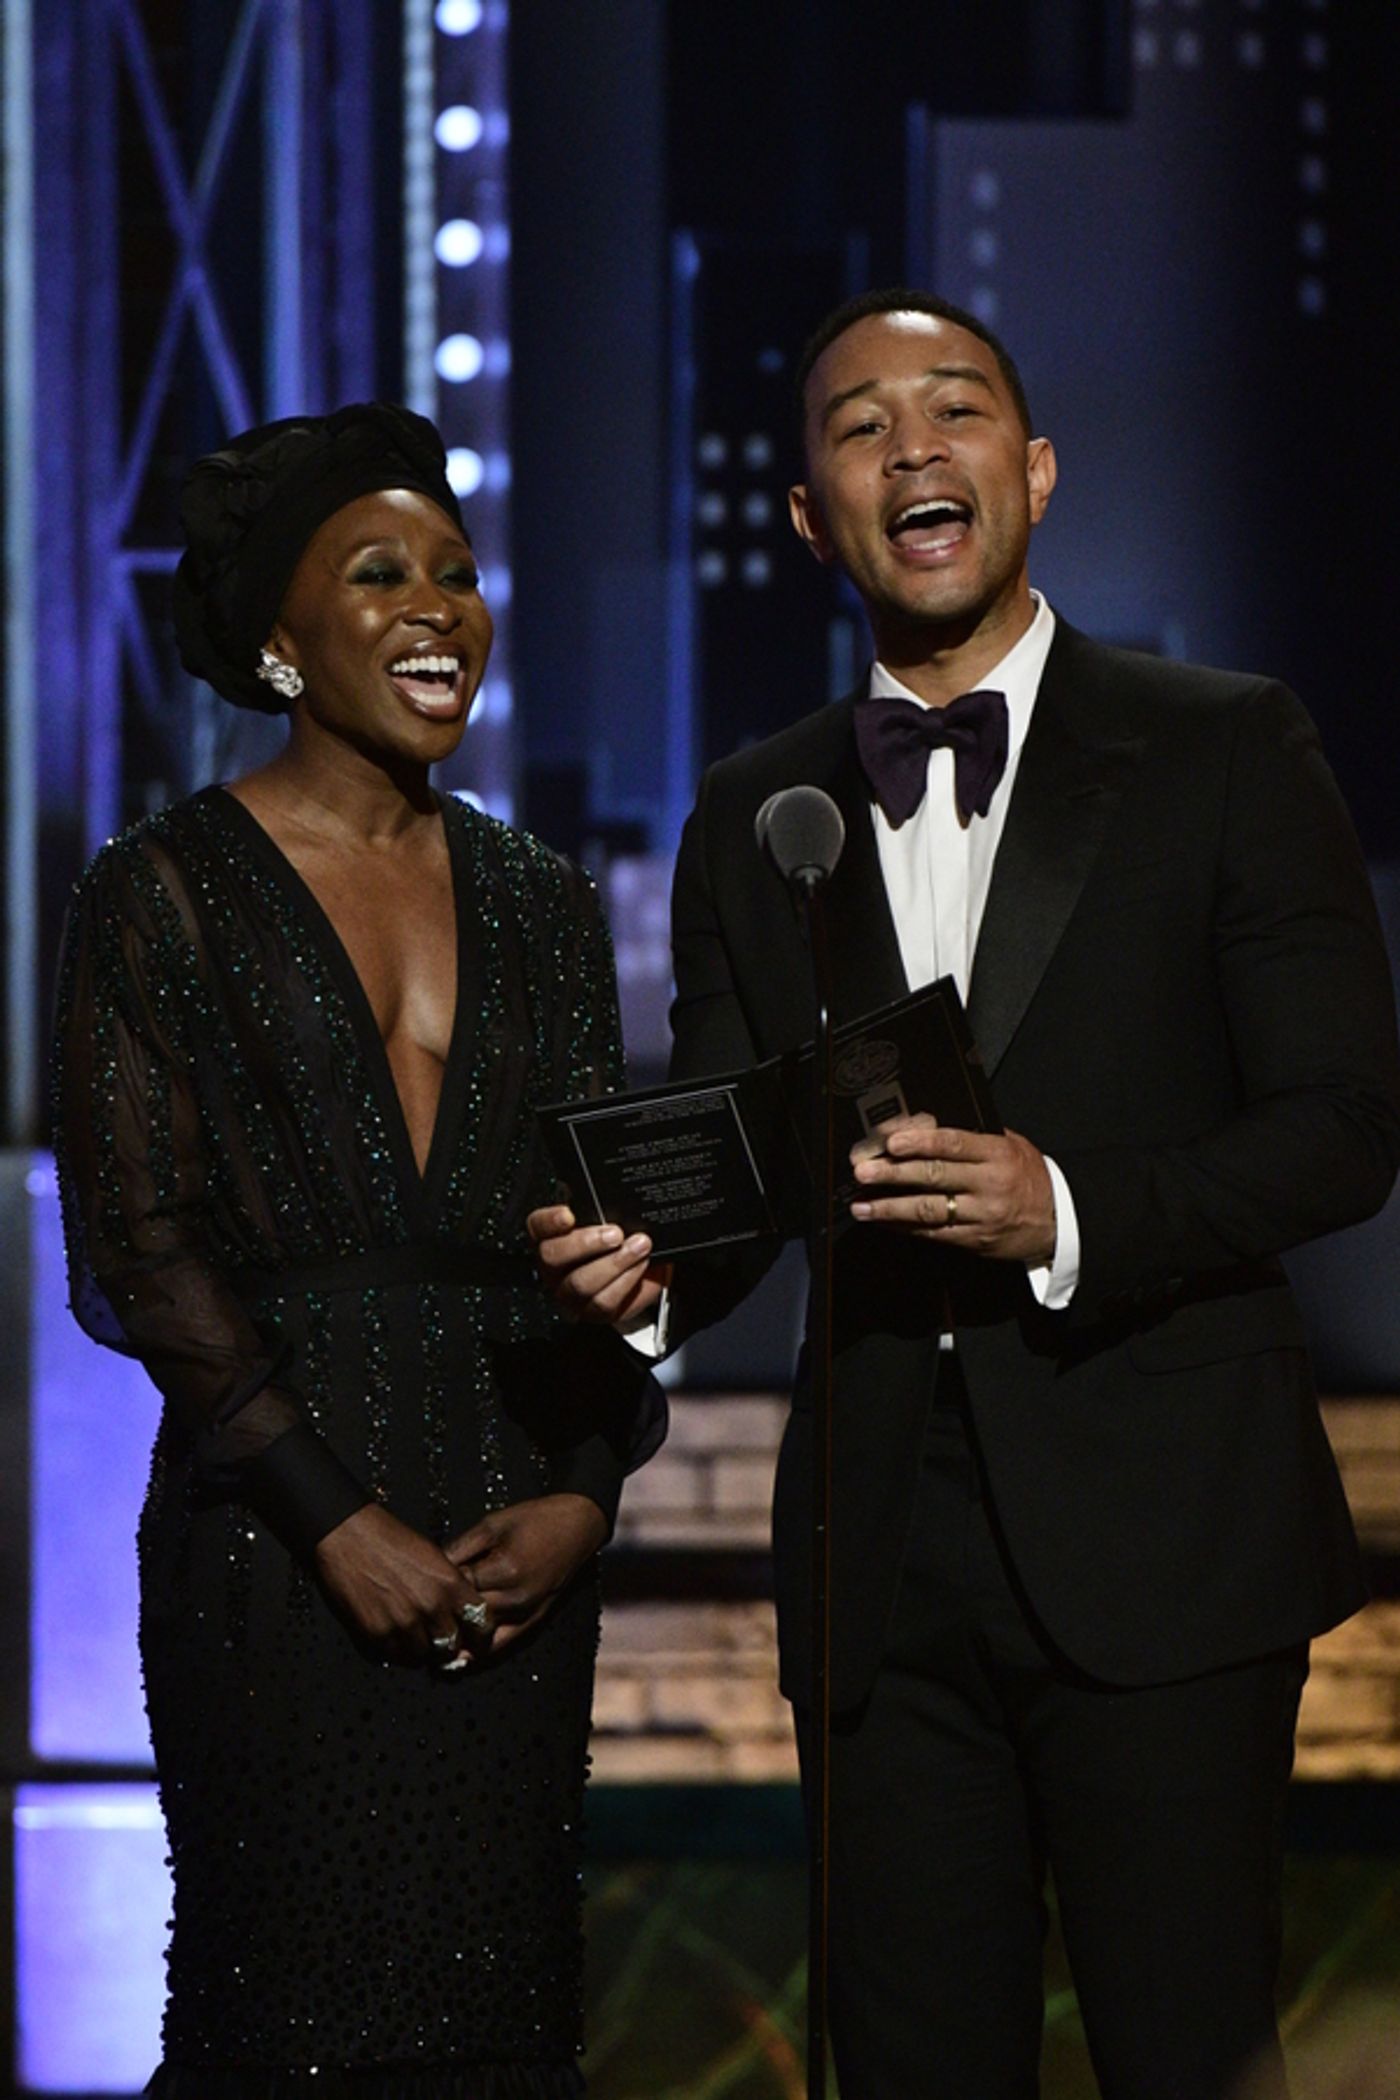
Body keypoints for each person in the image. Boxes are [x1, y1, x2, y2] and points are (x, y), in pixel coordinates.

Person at [528, 290, 1400, 2097]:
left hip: (1164, 1541)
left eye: (956, 410)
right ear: (805, 515)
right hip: (877, 1569)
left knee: (1188, 2058)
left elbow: (1343, 1125)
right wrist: (649, 1271)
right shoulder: (751, 808)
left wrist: (1062, 1206)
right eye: (858, 426)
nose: (912, 447)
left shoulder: (1226, 742)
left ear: (1038, 469)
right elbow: (737, 1149)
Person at [52, 402, 663, 2096]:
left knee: (501, 2022)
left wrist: (586, 1498)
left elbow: (598, 1240)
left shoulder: (539, 896)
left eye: (458, 575)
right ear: (275, 639)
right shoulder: (161, 890)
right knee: (286, 2022)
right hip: (273, 1548)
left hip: (509, 1543)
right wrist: (335, 1521)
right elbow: (139, 1245)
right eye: (379, 571)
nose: (436, 607)